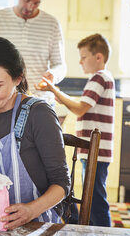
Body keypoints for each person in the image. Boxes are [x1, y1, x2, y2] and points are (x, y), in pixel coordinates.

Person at [0, 37, 70, 230]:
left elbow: (62, 183)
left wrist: (31, 210)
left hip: (37, 225)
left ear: (18, 78)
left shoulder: (38, 113)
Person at [36, 33, 115, 226]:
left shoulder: (99, 78)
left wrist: (54, 90)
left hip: (96, 152)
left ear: (99, 57)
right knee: (95, 198)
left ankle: (105, 232)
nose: (80, 61)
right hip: (95, 152)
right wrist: (59, 96)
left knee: (96, 202)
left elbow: (80, 108)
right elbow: (81, 106)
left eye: (83, 57)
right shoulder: (102, 78)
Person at [0, 0, 67, 105]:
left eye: (36, 3)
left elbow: (60, 65)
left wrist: (53, 75)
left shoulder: (52, 24)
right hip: (3, 101)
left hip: (40, 102)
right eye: (26, 0)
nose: (30, 7)